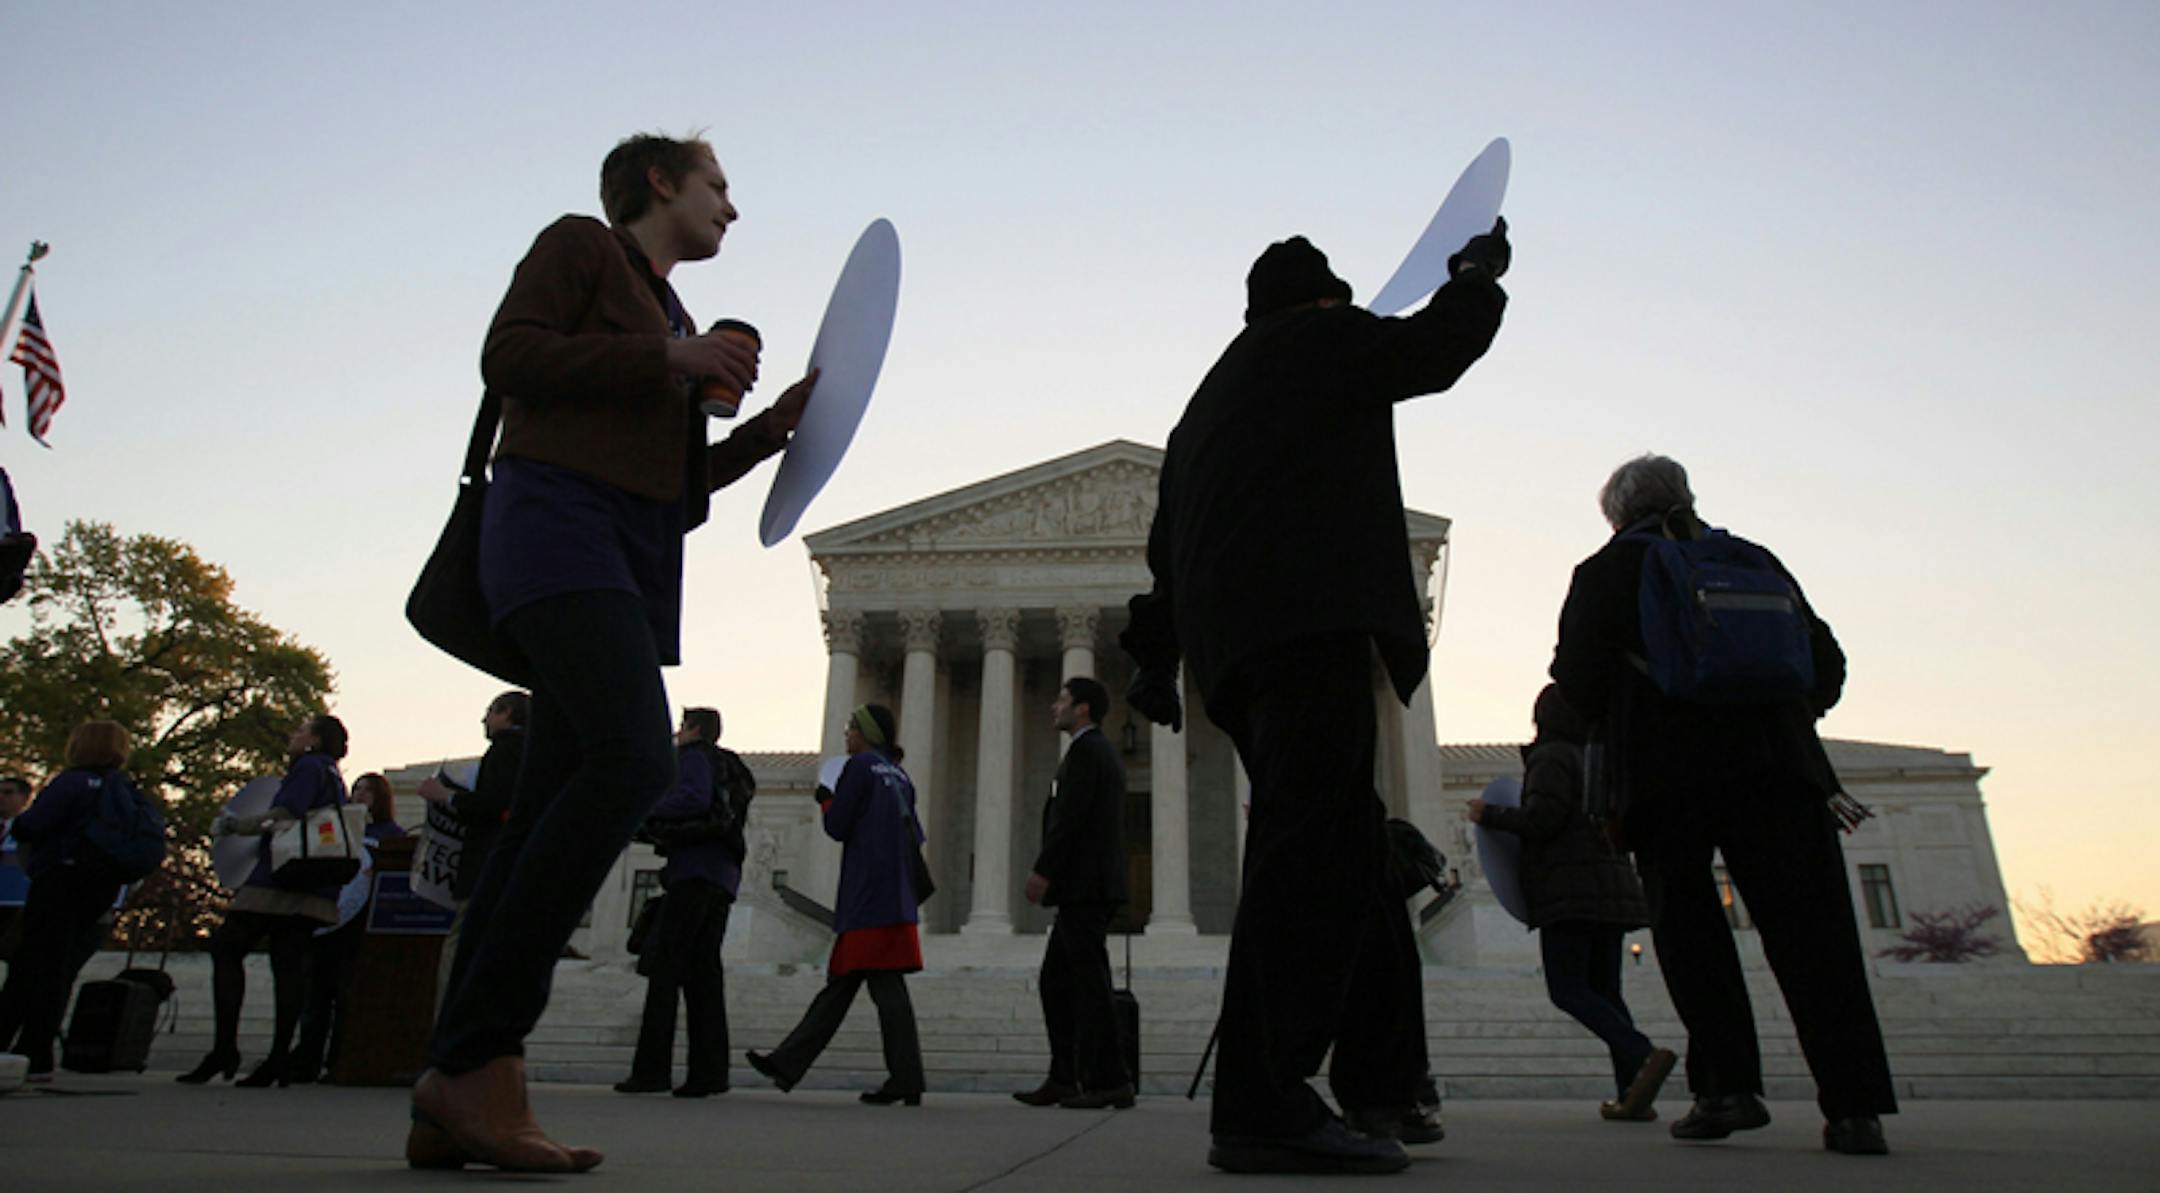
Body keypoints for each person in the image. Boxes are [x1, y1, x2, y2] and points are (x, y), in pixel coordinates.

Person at [412, 131, 815, 1174]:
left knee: (540, 811)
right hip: (554, 533)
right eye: (718, 185)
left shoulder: (676, 314)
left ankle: (453, 1080)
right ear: (657, 182)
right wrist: (671, 360)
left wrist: (766, 431)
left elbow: (675, 493)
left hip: (626, 563)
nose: (733, 207)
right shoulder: (582, 247)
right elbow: (510, 356)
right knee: (636, 759)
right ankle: (479, 1057)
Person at [1120, 226, 1509, 1174]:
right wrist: (1475, 279)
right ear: (1325, 300)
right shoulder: (1322, 341)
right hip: (1310, 627)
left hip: (1236, 657)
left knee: (1353, 848)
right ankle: (1261, 1099)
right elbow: (1432, 350)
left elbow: (1166, 553)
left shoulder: (1201, 409)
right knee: (1309, 853)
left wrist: (1154, 664)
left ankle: (1383, 1081)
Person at [1549, 453, 1896, 1156]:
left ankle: (1728, 1089)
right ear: (1688, 498)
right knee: (1817, 939)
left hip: (1664, 777)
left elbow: (1575, 681)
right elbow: (1824, 661)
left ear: (1616, 514)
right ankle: (1856, 1107)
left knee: (1692, 933)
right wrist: (1781, 714)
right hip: (1780, 768)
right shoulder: (1750, 557)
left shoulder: (1607, 571)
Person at [1464, 685, 1675, 1121]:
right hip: (1611, 889)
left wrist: (1489, 815)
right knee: (1606, 992)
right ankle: (1632, 1094)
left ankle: (1641, 1052)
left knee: (1568, 989)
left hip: (1569, 892)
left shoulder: (1551, 758)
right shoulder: (1598, 759)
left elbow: (1542, 820)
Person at [746, 704, 926, 1105]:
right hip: (894, 896)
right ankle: (791, 1063)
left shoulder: (860, 768)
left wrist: (826, 797)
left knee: (858, 985)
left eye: (850, 729)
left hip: (867, 898)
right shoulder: (901, 777)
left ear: (865, 734)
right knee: (866, 986)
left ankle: (791, 1063)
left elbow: (837, 825)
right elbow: (915, 834)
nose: (846, 735)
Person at [180, 713, 351, 1089]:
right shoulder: (334, 776)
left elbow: (282, 815)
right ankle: (277, 1058)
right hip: (313, 886)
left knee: (228, 949)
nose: (293, 735)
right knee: (288, 967)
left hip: (279, 878)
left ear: (314, 741)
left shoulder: (307, 768)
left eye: (301, 730)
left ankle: (225, 1047)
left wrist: (234, 825)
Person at [616, 706, 754, 1098]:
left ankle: (651, 1072)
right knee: (704, 975)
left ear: (694, 729)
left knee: (665, 970)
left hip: (693, 871)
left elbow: (693, 798)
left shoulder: (695, 758)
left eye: (682, 726)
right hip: (723, 877)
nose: (677, 734)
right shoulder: (733, 767)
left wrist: (647, 811)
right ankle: (709, 1074)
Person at [1014, 676, 1134, 1110]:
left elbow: (1071, 819)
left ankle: (1109, 1080)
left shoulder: (1087, 753)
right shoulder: (1096, 753)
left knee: (1089, 985)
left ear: (1082, 709)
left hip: (1085, 887)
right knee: (1059, 981)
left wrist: (1044, 871)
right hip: (1088, 887)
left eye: (1062, 700)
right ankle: (1065, 1075)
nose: (1054, 706)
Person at [0, 723, 133, 1081]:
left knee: (32, 964)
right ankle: (36, 1048)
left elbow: (32, 826)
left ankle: (23, 1045)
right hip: (100, 888)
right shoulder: (121, 788)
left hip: (59, 880)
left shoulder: (71, 783)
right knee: (59, 971)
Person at [416, 691, 528, 1017]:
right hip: (508, 867)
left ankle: (449, 1029)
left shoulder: (506, 750)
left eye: (490, 712)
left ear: (506, 713)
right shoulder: (531, 754)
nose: (484, 720)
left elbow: (495, 804)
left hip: (486, 865)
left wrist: (447, 796)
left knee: (460, 948)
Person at [287, 770, 398, 1084]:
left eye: (367, 790)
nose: (360, 795)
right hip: (326, 922)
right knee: (316, 997)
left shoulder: (391, 834)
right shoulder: (336, 828)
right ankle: (306, 1059)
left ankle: (341, 1060)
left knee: (346, 998)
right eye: (357, 789)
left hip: (360, 929)